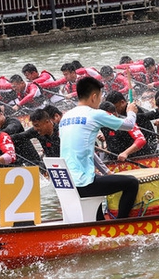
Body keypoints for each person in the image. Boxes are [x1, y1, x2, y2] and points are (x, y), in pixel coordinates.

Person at [58, 76, 140, 219]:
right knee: (131, 183)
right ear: (94, 97)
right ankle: (121, 225)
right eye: (100, 97)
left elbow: (85, 150)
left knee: (98, 214)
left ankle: (101, 224)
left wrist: (106, 171)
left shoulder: (66, 117)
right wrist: (131, 111)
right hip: (84, 183)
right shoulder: (94, 114)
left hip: (66, 183)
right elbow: (129, 125)